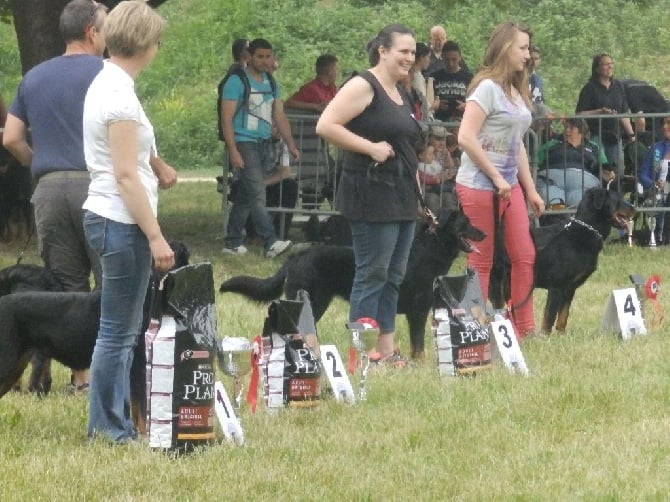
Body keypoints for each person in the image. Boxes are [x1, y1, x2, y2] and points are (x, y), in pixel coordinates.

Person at [3, 0, 108, 393]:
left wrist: (40, 166)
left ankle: (79, 377)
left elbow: (11, 137)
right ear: (91, 31)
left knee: (66, 288)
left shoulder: (33, 77)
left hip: (48, 188)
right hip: (97, 186)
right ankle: (105, 376)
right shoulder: (108, 73)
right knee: (111, 282)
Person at [82, 0, 174, 444]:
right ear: (145, 43)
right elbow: (122, 175)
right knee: (118, 334)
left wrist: (155, 163)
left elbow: (129, 157)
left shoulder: (111, 83)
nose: (158, 48)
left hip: (110, 216)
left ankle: (110, 420)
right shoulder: (118, 95)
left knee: (119, 330)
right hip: (120, 219)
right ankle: (108, 428)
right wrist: (155, 235)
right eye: (156, 41)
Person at [316, 23, 422, 367]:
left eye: (413, 52)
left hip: (402, 195)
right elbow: (326, 125)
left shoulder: (400, 90)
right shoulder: (364, 85)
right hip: (370, 194)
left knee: (394, 274)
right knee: (372, 272)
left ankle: (387, 349)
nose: (410, 57)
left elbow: (405, 142)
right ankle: (363, 352)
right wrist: (370, 147)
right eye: (403, 51)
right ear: (383, 51)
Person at [456, 21, 544, 338]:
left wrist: (530, 189)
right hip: (479, 185)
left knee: (525, 255)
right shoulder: (487, 88)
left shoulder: (516, 92)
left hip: (510, 187)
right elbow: (465, 137)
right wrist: (495, 177)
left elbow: (516, 142)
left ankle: (524, 327)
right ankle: (474, 326)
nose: (528, 54)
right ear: (505, 48)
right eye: (522, 48)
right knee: (483, 258)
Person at [220, 38, 299, 257]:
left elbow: (280, 116)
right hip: (244, 142)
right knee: (257, 194)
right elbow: (226, 118)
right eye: (260, 56)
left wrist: (291, 144)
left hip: (264, 143)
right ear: (249, 56)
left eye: (268, 56)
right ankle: (270, 241)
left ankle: (232, 241)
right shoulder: (236, 81)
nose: (265, 61)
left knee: (247, 194)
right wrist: (233, 150)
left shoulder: (272, 84)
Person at [575, 53, 636, 183]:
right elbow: (580, 114)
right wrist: (599, 111)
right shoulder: (589, 88)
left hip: (615, 134)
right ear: (597, 68)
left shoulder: (618, 86)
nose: (610, 67)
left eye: (611, 64)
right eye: (606, 64)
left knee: (618, 169)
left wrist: (631, 134)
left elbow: (623, 113)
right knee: (600, 168)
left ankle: (616, 197)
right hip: (596, 134)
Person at [535, 118, 612, 207]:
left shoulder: (593, 147)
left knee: (580, 201)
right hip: (552, 178)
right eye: (566, 127)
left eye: (571, 128)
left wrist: (608, 173)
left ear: (581, 131)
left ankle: (574, 213)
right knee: (552, 198)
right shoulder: (552, 144)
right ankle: (556, 210)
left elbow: (604, 167)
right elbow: (535, 162)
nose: (567, 130)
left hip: (583, 180)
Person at [638, 116, 670, 243]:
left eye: (669, 123)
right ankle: (658, 236)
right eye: (664, 123)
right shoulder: (657, 148)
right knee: (662, 194)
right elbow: (643, 174)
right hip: (658, 191)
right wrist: (654, 184)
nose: (664, 127)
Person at [431, 40, 473, 123]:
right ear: (442, 57)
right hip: (439, 122)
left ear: (460, 58)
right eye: (447, 59)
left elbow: (476, 101)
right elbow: (427, 102)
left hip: (462, 122)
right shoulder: (434, 77)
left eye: (454, 59)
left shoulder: (469, 77)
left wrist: (466, 105)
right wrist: (437, 104)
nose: (450, 63)